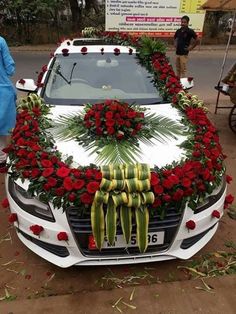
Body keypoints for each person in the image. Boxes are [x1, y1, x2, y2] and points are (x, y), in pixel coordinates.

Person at [0, 35, 16, 170]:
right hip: (2, 89)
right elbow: (10, 69)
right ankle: (2, 159)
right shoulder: (0, 41)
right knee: (3, 128)